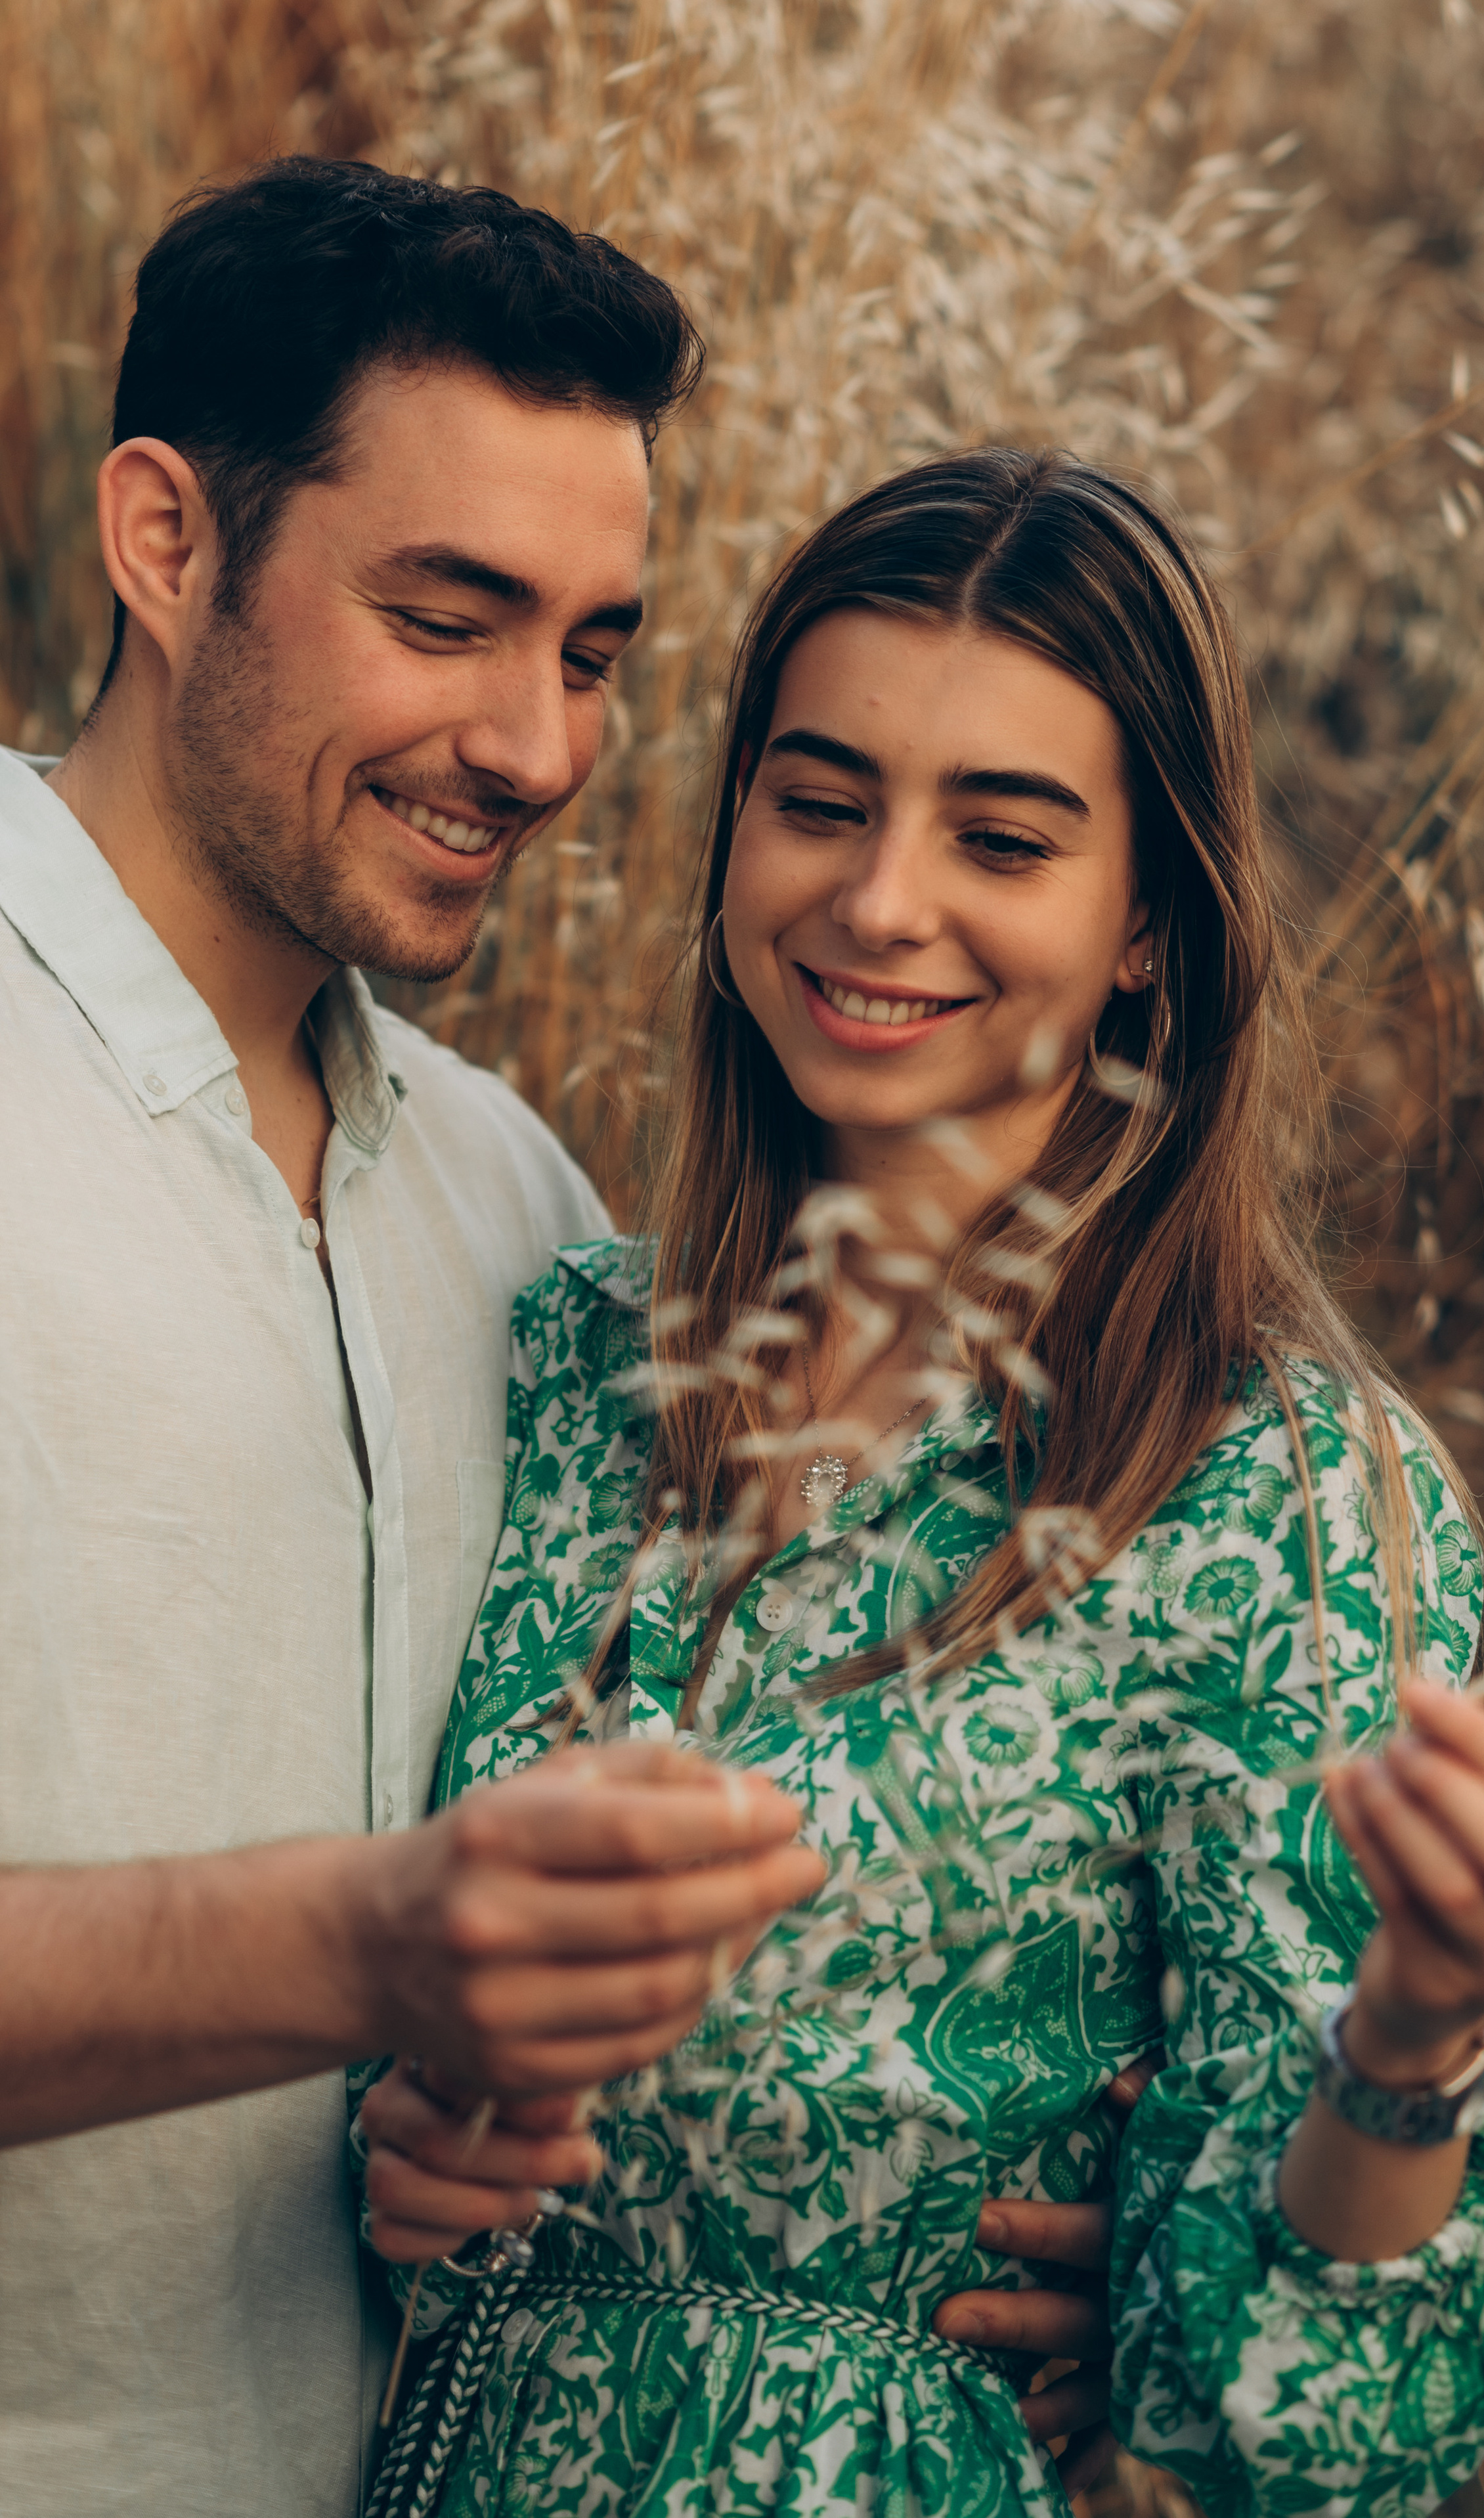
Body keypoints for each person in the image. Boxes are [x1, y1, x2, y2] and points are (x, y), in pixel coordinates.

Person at [360, 447, 1484, 2518]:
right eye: (821, 800)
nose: (877, 900)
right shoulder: (564, 1348)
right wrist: (395, 2136)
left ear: (1146, 925)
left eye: (1001, 837)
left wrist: (1420, 2028)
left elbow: (1309, 2415)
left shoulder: (1263, 1484)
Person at [0, 158, 827, 2518]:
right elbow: (413, 1942)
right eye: (448, 617)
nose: (544, 746)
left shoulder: (518, 1213)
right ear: (166, 542)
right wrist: (367, 1940)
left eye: (590, 648)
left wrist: (992, 2257)